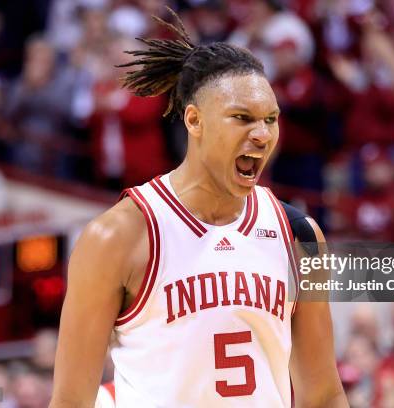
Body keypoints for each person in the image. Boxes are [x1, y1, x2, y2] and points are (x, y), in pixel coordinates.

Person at [50, 8, 348, 408]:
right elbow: (71, 402)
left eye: (271, 119)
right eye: (242, 118)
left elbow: (324, 396)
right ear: (194, 120)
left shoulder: (301, 237)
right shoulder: (119, 236)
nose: (261, 135)